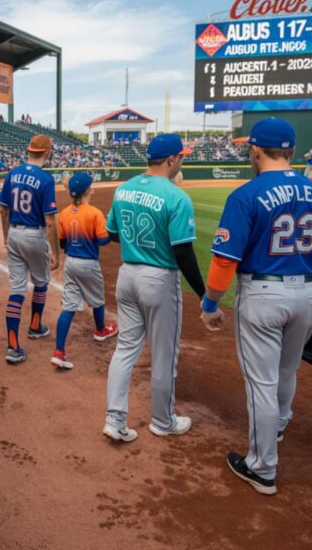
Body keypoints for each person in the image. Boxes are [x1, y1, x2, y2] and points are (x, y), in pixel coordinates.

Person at [200, 119, 312, 495]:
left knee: (260, 383)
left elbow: (224, 261)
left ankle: (262, 468)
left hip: (263, 294)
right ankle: (278, 425)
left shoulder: (245, 195)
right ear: (293, 152)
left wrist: (210, 303)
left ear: (255, 150)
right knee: (287, 370)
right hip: (309, 295)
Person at [103, 134, 203, 443]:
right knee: (164, 354)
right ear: (171, 160)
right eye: (181, 157)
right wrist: (204, 294)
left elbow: (113, 234)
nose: (182, 162)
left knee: (125, 349)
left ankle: (114, 419)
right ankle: (162, 421)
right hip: (158, 279)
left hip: (127, 275)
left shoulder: (123, 189)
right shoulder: (176, 196)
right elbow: (184, 252)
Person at [0, 134, 60, 364]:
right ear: (46, 153)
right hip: (35, 234)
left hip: (14, 231)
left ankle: (12, 346)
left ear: (29, 150)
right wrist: (57, 253)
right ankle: (35, 326)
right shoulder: (45, 179)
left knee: (16, 290)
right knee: (41, 282)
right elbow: (51, 220)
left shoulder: (12, 173)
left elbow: (3, 211)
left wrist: (6, 237)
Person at [50, 173, 119, 370]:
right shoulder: (94, 213)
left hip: (70, 262)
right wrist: (114, 231)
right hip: (88, 263)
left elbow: (62, 242)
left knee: (69, 306)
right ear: (87, 190)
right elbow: (103, 240)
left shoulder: (63, 213)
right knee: (97, 300)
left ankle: (59, 351)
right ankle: (100, 330)